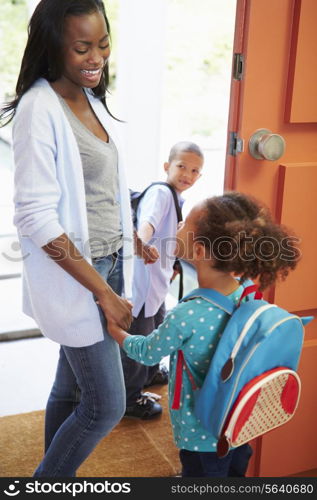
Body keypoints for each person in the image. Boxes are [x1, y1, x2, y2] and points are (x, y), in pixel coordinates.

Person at [0, 0, 157, 477]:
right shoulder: (38, 108)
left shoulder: (89, 96)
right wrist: (104, 292)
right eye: (82, 48)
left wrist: (130, 236)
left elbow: (103, 184)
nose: (96, 58)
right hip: (84, 278)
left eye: (103, 44)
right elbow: (34, 216)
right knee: (106, 405)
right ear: (53, 48)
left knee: (69, 390)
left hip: (110, 262)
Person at [107, 191, 300, 477]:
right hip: (239, 423)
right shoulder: (248, 292)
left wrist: (117, 331)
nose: (178, 227)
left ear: (198, 252)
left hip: (201, 434)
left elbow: (147, 352)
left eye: (184, 225)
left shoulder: (187, 315)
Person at [121, 141, 204, 419]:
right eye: (181, 166)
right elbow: (149, 222)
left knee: (159, 327)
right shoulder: (161, 193)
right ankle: (130, 398)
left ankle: (150, 372)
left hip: (157, 282)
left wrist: (172, 265)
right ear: (167, 166)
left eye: (194, 171)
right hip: (143, 286)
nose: (187, 175)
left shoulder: (176, 197)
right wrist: (141, 243)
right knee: (142, 338)